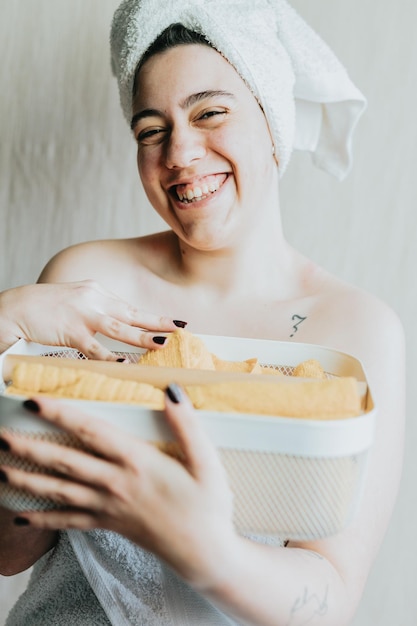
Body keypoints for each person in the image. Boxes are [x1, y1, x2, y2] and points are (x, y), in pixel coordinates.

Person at [0, 1, 405, 624]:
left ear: (271, 116)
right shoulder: (88, 287)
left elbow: (330, 601)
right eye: (150, 131)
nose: (180, 154)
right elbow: (9, 551)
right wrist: (6, 322)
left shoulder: (353, 332)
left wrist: (202, 545)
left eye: (210, 112)